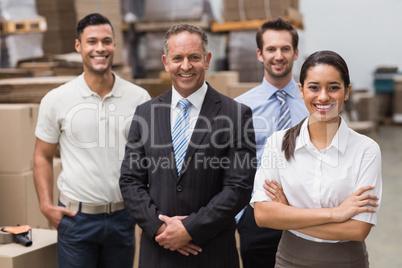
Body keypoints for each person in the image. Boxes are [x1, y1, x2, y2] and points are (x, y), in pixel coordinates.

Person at [119, 23, 256, 268]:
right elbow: (130, 181)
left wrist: (190, 229)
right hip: (158, 251)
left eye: (194, 57)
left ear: (207, 60)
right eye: (177, 58)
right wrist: (160, 228)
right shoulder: (145, 113)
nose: (185, 66)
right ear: (165, 62)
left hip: (212, 253)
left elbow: (239, 187)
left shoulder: (236, 114)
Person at [33, 13, 151, 268]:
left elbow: (148, 161)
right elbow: (41, 155)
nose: (100, 48)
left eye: (106, 41)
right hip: (76, 219)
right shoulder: (57, 99)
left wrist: (147, 213)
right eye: (92, 41)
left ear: (114, 46)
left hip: (123, 218)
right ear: (78, 46)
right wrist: (45, 205)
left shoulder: (139, 98)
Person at [251, 50, 382, 267]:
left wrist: (288, 213)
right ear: (301, 90)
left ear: (346, 91)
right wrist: (336, 213)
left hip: (347, 261)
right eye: (314, 87)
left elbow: (358, 230)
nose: (323, 96)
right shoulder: (277, 143)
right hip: (289, 260)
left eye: (333, 87)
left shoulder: (366, 150)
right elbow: (263, 215)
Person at [234, 17, 309, 267]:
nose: (279, 56)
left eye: (285, 48)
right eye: (271, 49)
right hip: (258, 216)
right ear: (259, 54)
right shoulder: (240, 107)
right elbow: (230, 164)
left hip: (305, 213)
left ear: (296, 52)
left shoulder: (313, 105)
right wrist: (240, 215)